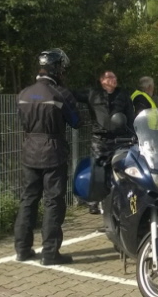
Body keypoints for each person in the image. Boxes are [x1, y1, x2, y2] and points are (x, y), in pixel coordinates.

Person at [15, 48, 82, 265]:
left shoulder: (24, 94)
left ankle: (22, 249)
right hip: (53, 152)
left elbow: (22, 121)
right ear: (57, 69)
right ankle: (50, 253)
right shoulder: (61, 94)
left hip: (29, 151)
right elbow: (76, 122)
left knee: (28, 200)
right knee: (53, 202)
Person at [75, 70, 136, 213]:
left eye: (114, 77)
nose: (113, 79)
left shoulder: (123, 95)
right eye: (109, 77)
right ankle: (94, 202)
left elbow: (130, 116)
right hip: (100, 139)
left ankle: (125, 199)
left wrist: (134, 135)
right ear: (102, 80)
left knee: (125, 168)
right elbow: (70, 95)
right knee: (98, 169)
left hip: (121, 139)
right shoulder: (92, 94)